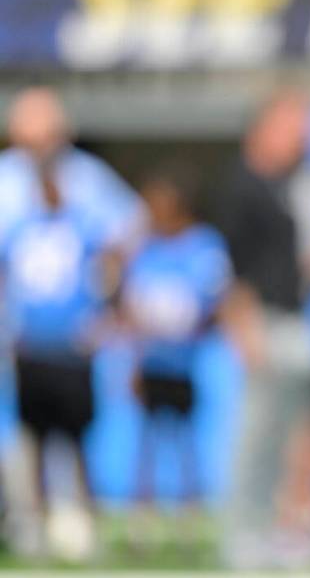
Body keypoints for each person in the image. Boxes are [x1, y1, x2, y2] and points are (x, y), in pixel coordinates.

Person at [0, 87, 142, 559]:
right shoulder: (7, 183)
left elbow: (126, 235)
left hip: (73, 342)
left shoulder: (87, 182)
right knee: (31, 439)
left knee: (78, 439)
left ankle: (83, 524)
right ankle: (32, 524)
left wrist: (106, 304)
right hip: (23, 342)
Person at [214, 89, 310, 569]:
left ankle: (283, 531)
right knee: (256, 438)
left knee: (291, 437)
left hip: (294, 321)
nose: (303, 138)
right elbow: (228, 269)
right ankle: (242, 535)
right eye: (294, 126)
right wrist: (244, 332)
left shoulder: (287, 185)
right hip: (261, 323)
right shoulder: (241, 185)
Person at [119, 162, 231, 523]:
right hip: (152, 360)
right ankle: (143, 510)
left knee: (185, 439)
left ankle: (190, 506)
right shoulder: (143, 248)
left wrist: (188, 323)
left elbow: (215, 299)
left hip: (185, 361)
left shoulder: (203, 245)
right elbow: (131, 304)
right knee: (146, 439)